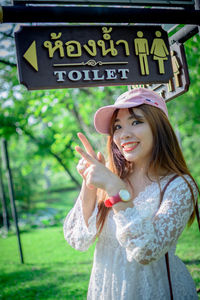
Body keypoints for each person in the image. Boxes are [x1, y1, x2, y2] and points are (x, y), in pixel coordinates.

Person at [63, 88, 200, 300]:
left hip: (157, 291)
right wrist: (89, 182)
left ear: (159, 127)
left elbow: (147, 251)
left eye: (136, 122)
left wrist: (116, 190)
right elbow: (78, 239)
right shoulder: (111, 177)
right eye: (117, 126)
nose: (124, 134)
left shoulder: (179, 185)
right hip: (108, 291)